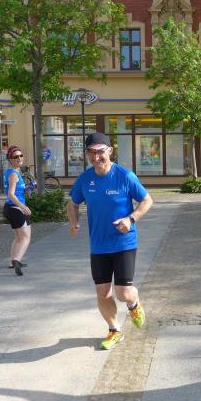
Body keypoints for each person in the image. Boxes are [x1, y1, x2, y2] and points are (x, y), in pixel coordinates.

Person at [67, 132, 153, 350]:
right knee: (103, 293)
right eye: (91, 152)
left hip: (123, 243)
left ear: (110, 151)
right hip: (98, 245)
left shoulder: (125, 176)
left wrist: (130, 219)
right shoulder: (85, 179)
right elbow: (73, 203)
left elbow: (146, 200)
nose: (96, 157)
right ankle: (114, 330)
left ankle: (134, 303)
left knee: (123, 293)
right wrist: (74, 222)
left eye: (100, 152)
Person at [2, 146, 31, 276]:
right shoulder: (13, 174)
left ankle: (12, 261)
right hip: (16, 209)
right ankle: (16, 261)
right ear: (10, 159)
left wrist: (27, 189)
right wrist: (23, 207)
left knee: (18, 237)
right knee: (26, 237)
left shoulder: (12, 172)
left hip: (10, 208)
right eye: (15, 157)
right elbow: (11, 194)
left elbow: (15, 191)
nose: (19, 158)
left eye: (21, 155)